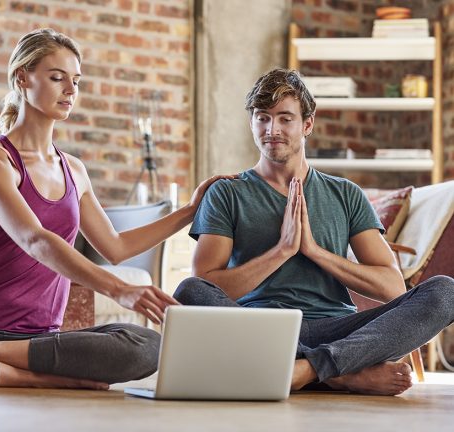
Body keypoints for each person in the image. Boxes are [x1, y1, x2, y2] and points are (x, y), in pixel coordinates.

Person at [0, 28, 229, 389]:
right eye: (57, 78)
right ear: (21, 78)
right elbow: (35, 239)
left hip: (35, 340)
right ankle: (40, 379)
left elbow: (116, 247)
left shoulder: (74, 170)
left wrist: (189, 210)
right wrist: (119, 290)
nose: (71, 91)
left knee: (145, 347)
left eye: (75, 80)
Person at [173, 68, 454, 396]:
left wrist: (314, 251)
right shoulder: (227, 193)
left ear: (308, 124)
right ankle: (338, 374)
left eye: (285, 118)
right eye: (262, 118)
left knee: (445, 292)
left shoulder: (345, 194)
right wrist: (282, 251)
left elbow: (392, 286)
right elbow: (206, 284)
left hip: (337, 329)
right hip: (260, 328)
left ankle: (305, 368)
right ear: (251, 122)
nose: (272, 129)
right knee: (188, 291)